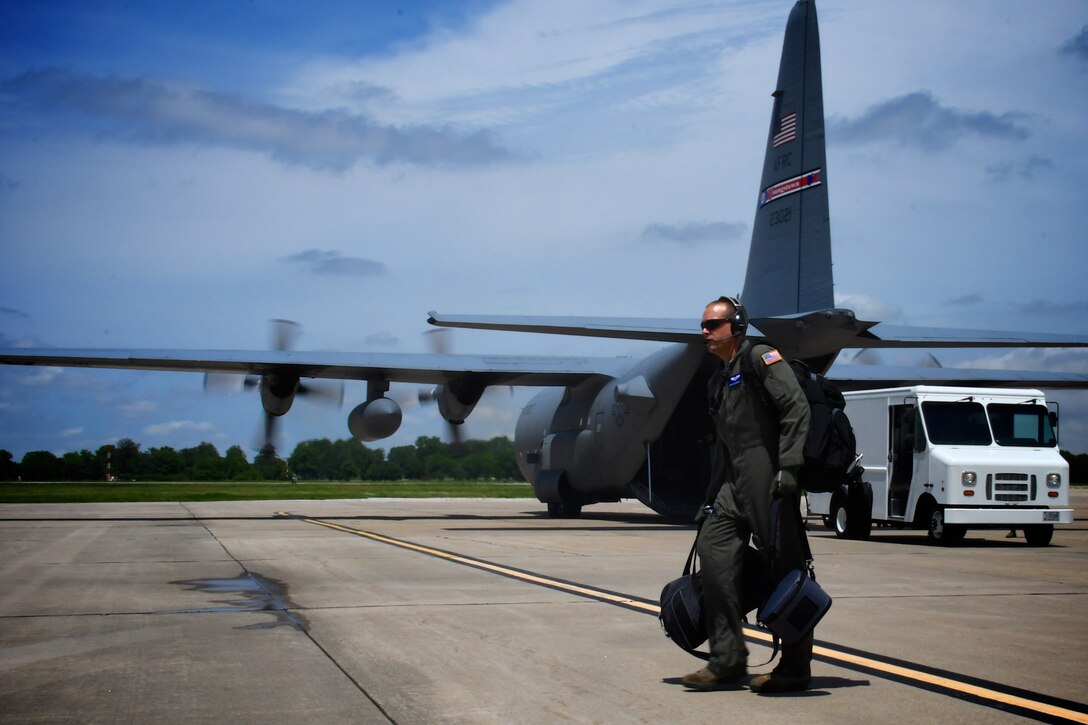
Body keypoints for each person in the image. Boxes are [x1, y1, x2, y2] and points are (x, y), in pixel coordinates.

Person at [681, 295, 814, 693]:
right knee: (714, 550)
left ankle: (795, 666)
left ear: (736, 325)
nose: (704, 331)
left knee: (784, 568)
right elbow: (722, 446)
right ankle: (728, 659)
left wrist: (789, 467)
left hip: (768, 474)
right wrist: (710, 495)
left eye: (713, 325)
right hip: (732, 479)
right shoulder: (718, 379)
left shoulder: (762, 358)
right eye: (703, 325)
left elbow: (796, 407)